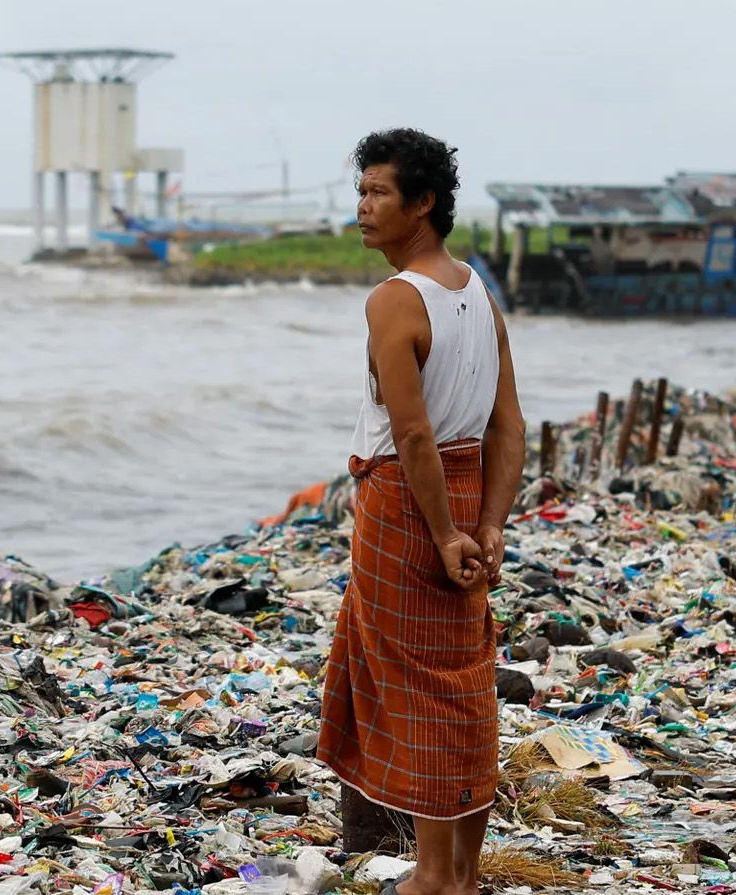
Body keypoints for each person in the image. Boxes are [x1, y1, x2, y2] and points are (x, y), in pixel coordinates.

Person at [316, 128, 524, 895]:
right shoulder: (477, 293)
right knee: (464, 678)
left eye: (376, 193)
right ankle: (460, 872)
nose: (362, 208)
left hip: (410, 505)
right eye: (360, 192)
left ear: (423, 203)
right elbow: (509, 424)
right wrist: (490, 522)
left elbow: (410, 434)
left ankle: (434, 878)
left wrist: (443, 533)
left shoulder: (395, 300)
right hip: (465, 492)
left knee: (419, 685)